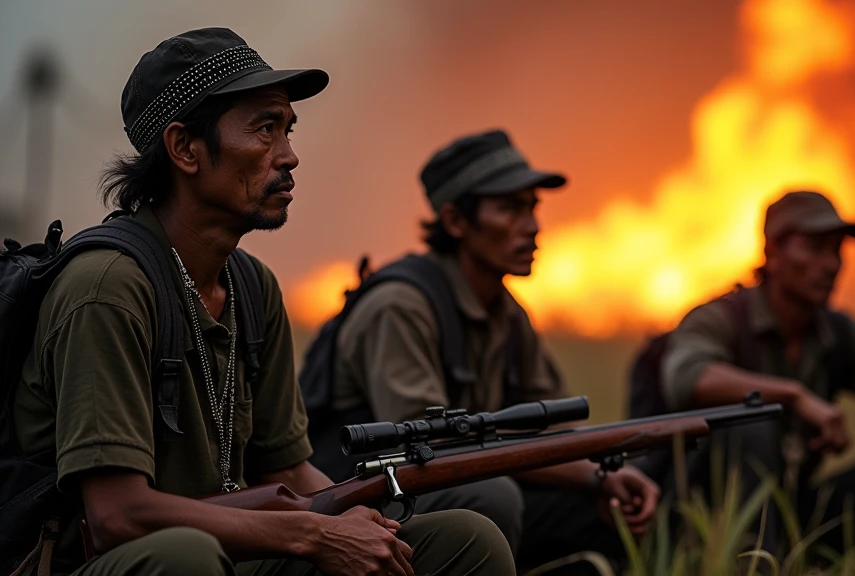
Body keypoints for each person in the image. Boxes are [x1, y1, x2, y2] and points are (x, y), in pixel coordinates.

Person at [10, 28, 514, 576]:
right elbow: (116, 516)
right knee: (187, 558)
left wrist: (362, 521)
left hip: (225, 549)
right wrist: (312, 534)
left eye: (288, 129)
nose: (290, 156)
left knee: (465, 539)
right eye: (265, 129)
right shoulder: (108, 288)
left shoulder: (253, 287)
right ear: (184, 149)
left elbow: (292, 472)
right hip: (99, 560)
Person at [317, 129, 661, 573]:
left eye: (532, 207)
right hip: (368, 493)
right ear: (456, 221)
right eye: (510, 208)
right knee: (492, 495)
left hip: (449, 479)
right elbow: (429, 452)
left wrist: (605, 476)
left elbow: (556, 427)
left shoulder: (507, 312)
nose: (533, 225)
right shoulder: (399, 306)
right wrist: (592, 474)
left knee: (604, 507)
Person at [659, 190, 855, 575]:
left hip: (792, 518)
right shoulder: (720, 318)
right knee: (750, 419)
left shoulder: (836, 334)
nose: (830, 265)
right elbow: (687, 377)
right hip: (701, 527)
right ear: (772, 253)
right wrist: (793, 395)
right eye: (814, 248)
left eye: (837, 251)